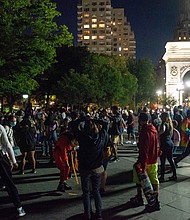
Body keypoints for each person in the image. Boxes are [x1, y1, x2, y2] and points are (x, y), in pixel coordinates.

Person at [72, 115, 109, 220]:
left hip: (84, 168)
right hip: (97, 167)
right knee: (96, 191)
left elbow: (73, 125)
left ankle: (87, 214)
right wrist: (94, 119)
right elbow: (106, 124)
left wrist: (83, 119)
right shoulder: (101, 137)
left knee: (86, 192)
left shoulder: (82, 137)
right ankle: (99, 214)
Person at [130, 112, 161, 212]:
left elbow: (144, 149)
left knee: (139, 179)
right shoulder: (154, 129)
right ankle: (155, 201)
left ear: (141, 120)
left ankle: (140, 198)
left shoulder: (144, 131)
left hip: (146, 161)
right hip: (154, 159)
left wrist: (142, 164)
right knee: (154, 180)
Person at [0, 124, 26, 217]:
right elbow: (7, 145)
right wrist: (13, 161)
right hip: (1, 158)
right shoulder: (0, 127)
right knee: (9, 183)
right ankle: (19, 208)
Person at [159, 112, 177, 182]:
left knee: (162, 160)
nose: (160, 117)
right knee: (170, 159)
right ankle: (174, 175)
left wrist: (157, 134)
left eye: (161, 116)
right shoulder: (170, 124)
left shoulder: (164, 124)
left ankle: (162, 176)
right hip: (170, 143)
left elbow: (162, 130)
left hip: (164, 144)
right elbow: (171, 134)